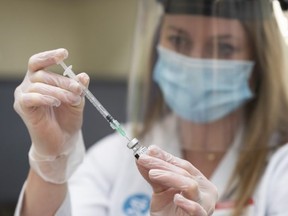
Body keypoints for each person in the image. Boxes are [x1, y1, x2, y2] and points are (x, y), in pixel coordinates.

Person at [13, 0, 288, 215]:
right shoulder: (112, 159)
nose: (195, 61)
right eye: (179, 40)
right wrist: (51, 162)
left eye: (224, 48)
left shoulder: (281, 167)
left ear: (258, 60)